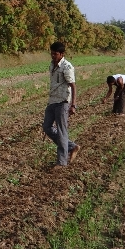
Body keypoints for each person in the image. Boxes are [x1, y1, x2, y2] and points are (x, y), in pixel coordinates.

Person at [42, 42, 80, 171]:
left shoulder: (67, 67)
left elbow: (73, 86)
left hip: (63, 102)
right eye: (51, 53)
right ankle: (71, 146)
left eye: (55, 54)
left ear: (62, 54)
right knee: (46, 127)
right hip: (52, 101)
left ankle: (62, 162)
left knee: (62, 131)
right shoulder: (52, 65)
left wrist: (73, 105)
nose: (52, 56)